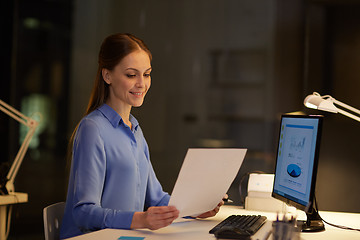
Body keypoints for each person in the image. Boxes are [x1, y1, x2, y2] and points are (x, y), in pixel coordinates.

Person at [60, 33, 224, 239]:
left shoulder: (135, 129)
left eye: (146, 74)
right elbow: (83, 212)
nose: (141, 84)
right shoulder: (93, 129)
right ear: (107, 76)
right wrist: (141, 220)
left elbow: (156, 198)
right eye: (131, 75)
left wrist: (196, 209)